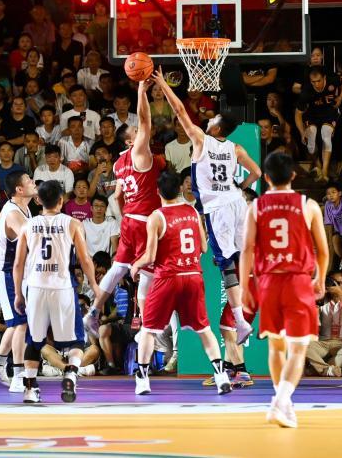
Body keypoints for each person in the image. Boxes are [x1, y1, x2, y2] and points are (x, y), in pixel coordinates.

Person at [148, 69, 261, 345]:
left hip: (218, 208)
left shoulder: (201, 139)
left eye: (214, 119)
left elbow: (179, 110)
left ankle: (241, 321)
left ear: (217, 128)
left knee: (225, 266)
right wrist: (240, 187)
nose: (209, 119)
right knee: (237, 259)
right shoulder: (236, 149)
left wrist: (163, 84)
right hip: (237, 204)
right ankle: (243, 318)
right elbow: (256, 173)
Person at [239, 152, 328, 428]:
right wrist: (320, 278)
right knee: (298, 349)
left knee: (277, 347)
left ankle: (282, 403)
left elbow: (247, 249)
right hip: (297, 281)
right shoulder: (308, 205)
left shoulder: (256, 207)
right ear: (293, 175)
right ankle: (281, 401)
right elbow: (323, 251)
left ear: (265, 178)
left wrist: (245, 286)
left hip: (267, 282)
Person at [130, 170, 232, 396]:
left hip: (168, 278)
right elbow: (204, 248)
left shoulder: (157, 216)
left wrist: (135, 265)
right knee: (205, 329)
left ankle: (143, 379)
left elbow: (150, 256)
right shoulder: (193, 212)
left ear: (158, 192)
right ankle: (221, 376)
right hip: (193, 276)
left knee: (148, 329)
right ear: (179, 190)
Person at [83, 79, 164, 332]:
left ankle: (94, 311)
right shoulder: (140, 153)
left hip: (129, 220)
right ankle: (143, 321)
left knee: (118, 268)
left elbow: (117, 196)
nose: (141, 132)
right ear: (131, 143)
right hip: (143, 222)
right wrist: (141, 91)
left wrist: (124, 214)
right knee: (148, 272)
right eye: (135, 133)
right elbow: (145, 119)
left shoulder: (118, 165)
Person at [12, 181, 100, 404]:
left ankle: (30, 390)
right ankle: (70, 373)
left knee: (34, 341)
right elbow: (85, 259)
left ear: (38, 200)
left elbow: (17, 265)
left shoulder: (27, 226)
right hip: (62, 287)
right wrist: (94, 285)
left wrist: (18, 294)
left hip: (35, 287)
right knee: (76, 341)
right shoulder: (72, 223)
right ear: (61, 200)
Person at [0, 171, 36, 392]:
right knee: (20, 322)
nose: (34, 183)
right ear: (19, 189)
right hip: (5, 270)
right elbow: (33, 238)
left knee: (17, 322)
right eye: (30, 181)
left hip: (16, 271)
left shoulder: (25, 207)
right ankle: (18, 375)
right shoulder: (13, 213)